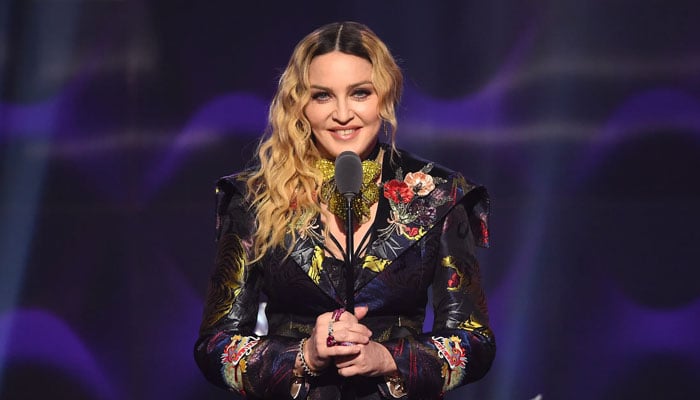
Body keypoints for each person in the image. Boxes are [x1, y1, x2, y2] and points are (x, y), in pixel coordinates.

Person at [194, 21, 495, 399]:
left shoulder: (438, 195)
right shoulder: (255, 198)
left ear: (385, 95)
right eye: (322, 96)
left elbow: (474, 341)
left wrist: (389, 359)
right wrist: (303, 356)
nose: (342, 113)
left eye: (359, 93)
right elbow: (215, 345)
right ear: (299, 103)